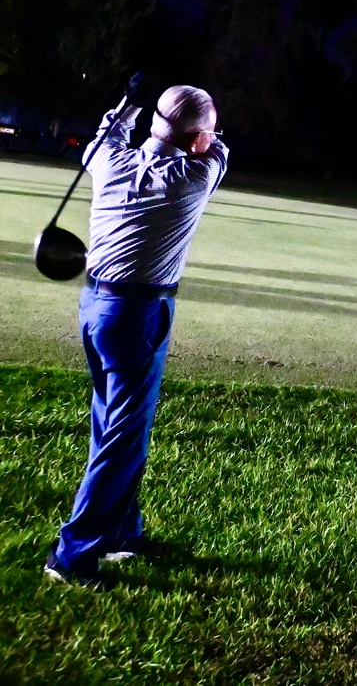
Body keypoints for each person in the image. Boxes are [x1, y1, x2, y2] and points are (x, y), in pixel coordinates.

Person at [44, 78, 229, 589]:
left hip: (95, 306)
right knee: (123, 440)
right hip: (138, 315)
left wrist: (129, 107)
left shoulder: (109, 160)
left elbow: (109, 131)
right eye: (208, 133)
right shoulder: (194, 177)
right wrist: (201, 135)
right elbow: (218, 152)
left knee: (113, 425)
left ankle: (123, 530)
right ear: (196, 139)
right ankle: (72, 556)